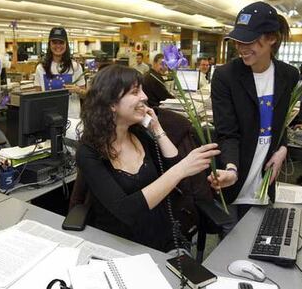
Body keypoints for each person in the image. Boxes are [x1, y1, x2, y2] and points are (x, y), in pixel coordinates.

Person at [76, 64, 219, 252]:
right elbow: (125, 210)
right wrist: (181, 169)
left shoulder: (139, 135)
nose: (144, 97)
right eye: (135, 92)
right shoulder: (89, 152)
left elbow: (174, 172)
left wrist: (157, 129)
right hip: (121, 245)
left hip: (161, 237)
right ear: (111, 104)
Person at [209, 1, 299, 222]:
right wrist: (231, 168)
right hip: (235, 174)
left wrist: (282, 149)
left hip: (264, 176)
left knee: (258, 238)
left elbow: (280, 121)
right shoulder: (225, 77)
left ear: (271, 38)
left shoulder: (288, 75)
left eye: (249, 41)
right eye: (238, 41)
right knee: (230, 244)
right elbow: (227, 132)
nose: (241, 47)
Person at [34, 27, 86, 117]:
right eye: (54, 42)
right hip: (48, 117)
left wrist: (78, 90)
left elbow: (85, 96)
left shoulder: (75, 67)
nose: (58, 46)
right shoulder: (40, 68)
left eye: (61, 42)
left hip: (72, 117)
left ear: (66, 44)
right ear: (49, 44)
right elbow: (37, 97)